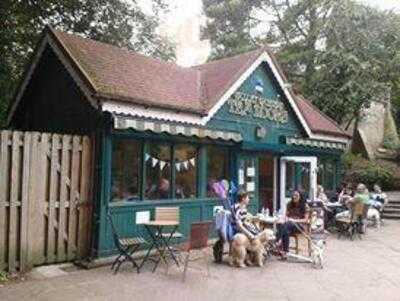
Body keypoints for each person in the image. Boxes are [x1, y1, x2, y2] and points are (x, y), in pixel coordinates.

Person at [276, 191, 310, 258]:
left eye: (296, 195)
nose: (294, 197)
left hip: (300, 226)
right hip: (288, 226)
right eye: (293, 195)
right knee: (283, 228)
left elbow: (305, 220)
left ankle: (278, 242)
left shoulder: (305, 206)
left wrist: (294, 220)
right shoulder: (289, 204)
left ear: (300, 197)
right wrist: (284, 219)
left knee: (286, 225)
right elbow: (286, 216)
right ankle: (285, 251)